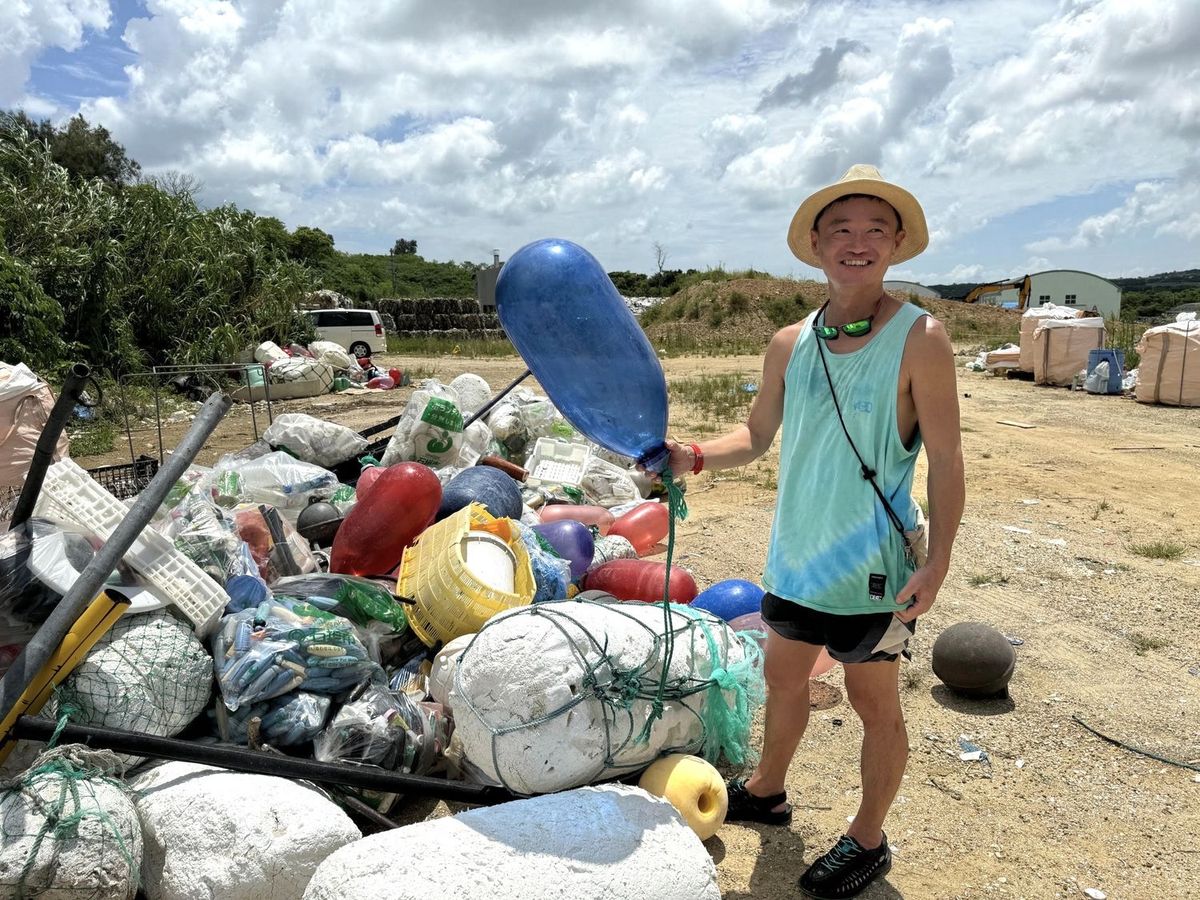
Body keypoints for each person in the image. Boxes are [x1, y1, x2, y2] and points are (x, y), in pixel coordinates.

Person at [664, 164, 965, 899]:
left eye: (874, 230)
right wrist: (692, 455)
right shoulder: (788, 342)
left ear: (896, 243)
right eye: (842, 230)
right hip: (797, 558)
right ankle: (768, 790)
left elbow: (948, 459)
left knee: (874, 703)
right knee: (783, 679)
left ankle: (869, 838)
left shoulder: (921, 337)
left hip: (873, 567)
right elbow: (755, 435)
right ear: (817, 244)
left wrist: (938, 562)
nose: (857, 243)